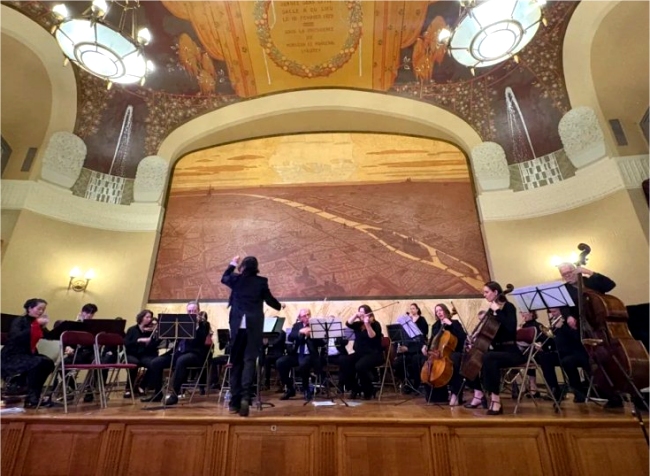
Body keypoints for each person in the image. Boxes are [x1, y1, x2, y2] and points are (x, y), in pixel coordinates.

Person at [221, 255, 284, 417]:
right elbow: (269, 300)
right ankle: (246, 397)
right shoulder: (261, 281)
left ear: (242, 267)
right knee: (249, 361)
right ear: (256, 268)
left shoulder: (236, 279)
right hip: (253, 326)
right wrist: (280, 306)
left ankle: (234, 402)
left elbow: (224, 277)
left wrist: (232, 263)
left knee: (236, 363)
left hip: (237, 326)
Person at [557, 263, 622, 408]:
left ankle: (614, 393)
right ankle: (588, 392)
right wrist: (568, 316)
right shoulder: (564, 290)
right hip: (583, 332)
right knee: (583, 360)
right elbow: (564, 307)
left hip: (599, 329)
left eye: (569, 272)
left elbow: (610, 285)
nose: (567, 275)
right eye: (564, 274)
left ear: (576, 270)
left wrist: (590, 272)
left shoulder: (590, 282)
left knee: (605, 359)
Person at [464, 281, 524, 415]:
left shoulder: (508, 307)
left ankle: (495, 399)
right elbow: (490, 333)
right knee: (469, 356)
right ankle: (478, 393)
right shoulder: (491, 311)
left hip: (511, 352)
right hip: (497, 351)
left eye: (486, 292)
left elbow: (510, 328)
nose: (484, 295)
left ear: (495, 292)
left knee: (488, 357)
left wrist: (498, 311)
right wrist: (477, 338)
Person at [141, 301, 210, 405]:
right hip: (178, 352)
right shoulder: (182, 322)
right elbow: (172, 339)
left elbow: (200, 340)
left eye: (194, 311)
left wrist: (195, 325)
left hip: (194, 354)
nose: (191, 313)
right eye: (189, 311)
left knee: (181, 360)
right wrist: (166, 330)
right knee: (155, 362)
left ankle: (174, 395)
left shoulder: (204, 324)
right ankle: (157, 394)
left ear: (198, 311)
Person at [1, 299, 55, 408]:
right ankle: (30, 395)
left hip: (27, 355)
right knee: (39, 362)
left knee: (48, 363)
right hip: (12, 355)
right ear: (30, 308)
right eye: (39, 309)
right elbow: (16, 337)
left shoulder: (37, 323)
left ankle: (32, 395)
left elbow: (51, 336)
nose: (41, 311)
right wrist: (34, 326)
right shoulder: (19, 320)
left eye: (43, 309)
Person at [421, 303, 467, 405]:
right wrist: (426, 346)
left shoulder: (454, 323)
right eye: (437, 311)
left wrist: (450, 325)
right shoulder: (436, 326)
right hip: (438, 354)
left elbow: (463, 337)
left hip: (454, 351)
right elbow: (432, 341)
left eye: (440, 310)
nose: (439, 313)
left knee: (455, 360)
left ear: (445, 311)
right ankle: (437, 396)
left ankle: (456, 394)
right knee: (424, 361)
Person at [338, 304, 384, 400]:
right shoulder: (358, 325)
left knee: (360, 366)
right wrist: (356, 315)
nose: (361, 315)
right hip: (360, 353)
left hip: (374, 354)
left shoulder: (375, 324)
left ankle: (369, 390)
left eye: (363, 313)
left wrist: (367, 324)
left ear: (368, 313)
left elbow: (372, 336)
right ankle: (355, 388)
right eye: (360, 312)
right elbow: (348, 323)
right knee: (344, 361)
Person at [277, 308, 323, 401]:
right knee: (280, 362)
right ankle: (290, 388)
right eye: (304, 316)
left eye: (308, 314)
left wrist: (312, 335)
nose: (307, 317)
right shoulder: (297, 325)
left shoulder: (315, 326)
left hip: (310, 355)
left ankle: (306, 389)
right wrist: (301, 332)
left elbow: (322, 342)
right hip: (297, 354)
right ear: (300, 318)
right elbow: (291, 336)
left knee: (303, 364)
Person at [121, 309, 160, 397]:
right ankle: (129, 388)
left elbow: (154, 346)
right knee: (134, 364)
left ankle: (142, 385)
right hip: (131, 354)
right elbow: (126, 343)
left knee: (154, 364)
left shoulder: (151, 331)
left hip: (144, 355)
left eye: (150, 317)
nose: (150, 319)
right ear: (141, 318)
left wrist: (152, 341)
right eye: (147, 317)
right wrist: (139, 340)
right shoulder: (132, 330)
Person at [393, 303, 428, 394]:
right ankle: (407, 383)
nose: (411, 310)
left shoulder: (420, 322)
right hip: (407, 350)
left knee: (415, 360)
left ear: (417, 309)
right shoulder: (404, 326)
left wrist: (408, 349)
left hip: (417, 350)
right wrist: (400, 348)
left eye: (413, 308)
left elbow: (421, 339)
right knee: (397, 363)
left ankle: (416, 384)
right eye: (410, 308)